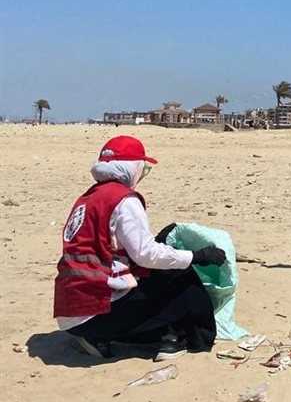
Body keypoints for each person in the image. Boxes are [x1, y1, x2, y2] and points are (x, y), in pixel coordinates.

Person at [54, 136, 225, 360]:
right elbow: (146, 254)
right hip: (97, 312)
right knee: (180, 276)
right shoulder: (123, 200)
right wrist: (196, 256)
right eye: (143, 169)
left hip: (70, 313)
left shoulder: (88, 198)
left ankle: (96, 337)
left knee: (156, 272)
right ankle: (182, 338)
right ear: (131, 167)